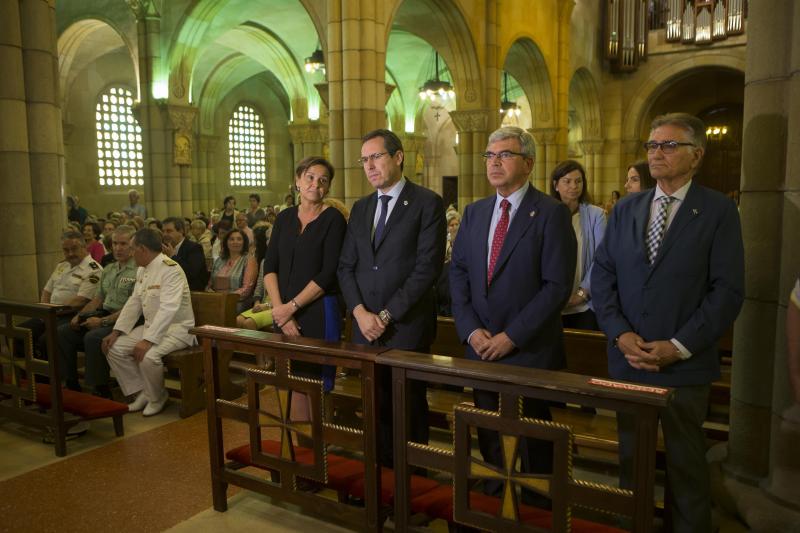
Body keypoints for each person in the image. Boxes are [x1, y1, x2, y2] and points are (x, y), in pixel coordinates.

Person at [592, 113, 745, 532]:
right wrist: (620, 334)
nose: (656, 153)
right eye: (651, 145)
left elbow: (727, 291)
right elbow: (602, 276)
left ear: (696, 155)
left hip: (684, 366)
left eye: (668, 145)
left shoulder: (716, 210)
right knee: (632, 463)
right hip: (629, 360)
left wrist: (677, 347)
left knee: (686, 467)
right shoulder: (626, 208)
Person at [449, 126, 575, 505]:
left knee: (533, 435)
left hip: (528, 349)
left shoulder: (550, 213)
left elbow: (556, 286)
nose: (494, 162)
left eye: (504, 154)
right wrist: (471, 330)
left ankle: (537, 507)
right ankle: (492, 501)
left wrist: (511, 336)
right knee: (488, 428)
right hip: (481, 345)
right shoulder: (475, 212)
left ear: (529, 163)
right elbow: (457, 273)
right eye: (489, 155)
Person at [338, 129, 446, 466]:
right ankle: (379, 482)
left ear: (398, 157)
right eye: (364, 160)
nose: (369, 166)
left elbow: (426, 270)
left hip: (406, 328)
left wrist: (384, 316)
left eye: (376, 157)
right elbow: (346, 267)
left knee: (409, 408)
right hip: (364, 328)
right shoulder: (361, 208)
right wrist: (359, 313)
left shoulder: (427, 203)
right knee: (374, 407)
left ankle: (413, 485)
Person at [265, 156, 346, 395]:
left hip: (318, 311)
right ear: (298, 181)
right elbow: (270, 266)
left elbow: (329, 273)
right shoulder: (284, 218)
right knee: (288, 383)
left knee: (314, 386)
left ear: (328, 187)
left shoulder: (333, 219)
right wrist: (281, 311)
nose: (316, 184)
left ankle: (314, 432)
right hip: (283, 313)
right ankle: (298, 432)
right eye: (310, 177)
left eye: (323, 180)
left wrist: (291, 308)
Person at [102, 228, 195, 417]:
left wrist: (148, 340)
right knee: (115, 348)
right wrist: (117, 331)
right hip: (152, 328)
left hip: (177, 330)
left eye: (132, 248)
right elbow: (134, 302)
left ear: (142, 249)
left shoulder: (170, 269)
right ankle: (144, 391)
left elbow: (169, 308)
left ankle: (157, 397)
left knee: (148, 356)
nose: (129, 252)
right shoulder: (143, 269)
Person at [57, 225, 137, 396]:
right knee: (64, 331)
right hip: (105, 314)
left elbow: (133, 307)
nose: (118, 248)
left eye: (123, 244)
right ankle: (70, 383)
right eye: (115, 243)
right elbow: (97, 299)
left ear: (133, 245)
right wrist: (80, 315)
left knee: (93, 337)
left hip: (127, 320)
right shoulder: (109, 269)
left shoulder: (139, 270)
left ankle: (100, 389)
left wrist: (102, 322)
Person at [15, 231, 103, 359]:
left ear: (84, 247)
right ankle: (28, 374)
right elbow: (47, 290)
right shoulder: (62, 265)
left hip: (70, 315)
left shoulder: (94, 270)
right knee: (20, 332)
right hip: (50, 312)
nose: (70, 254)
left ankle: (47, 377)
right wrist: (44, 309)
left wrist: (53, 309)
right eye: (66, 250)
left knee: (45, 340)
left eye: (74, 249)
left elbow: (81, 300)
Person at [550, 160, 606, 330]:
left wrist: (581, 294)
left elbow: (601, 258)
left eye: (578, 181)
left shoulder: (596, 215)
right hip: (550, 303)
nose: (574, 186)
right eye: (567, 181)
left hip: (584, 303)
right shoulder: (545, 213)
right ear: (556, 185)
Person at [208, 228, 257, 313]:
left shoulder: (249, 260)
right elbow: (210, 284)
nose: (235, 242)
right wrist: (211, 294)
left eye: (239, 239)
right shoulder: (220, 260)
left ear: (244, 242)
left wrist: (225, 298)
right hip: (216, 299)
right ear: (226, 242)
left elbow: (246, 289)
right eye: (231, 239)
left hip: (237, 302)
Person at [236, 224, 274, 331]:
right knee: (238, 320)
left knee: (249, 323)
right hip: (262, 304)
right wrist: (257, 301)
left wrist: (266, 305)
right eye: (267, 239)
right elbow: (259, 287)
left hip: (278, 307)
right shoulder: (265, 262)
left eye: (272, 238)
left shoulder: (289, 263)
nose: (268, 241)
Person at [162, 216, 209, 291]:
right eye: (163, 231)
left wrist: (172, 256)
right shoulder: (163, 248)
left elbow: (191, 273)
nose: (164, 234)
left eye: (169, 231)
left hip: (191, 293)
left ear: (181, 231)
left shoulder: (194, 248)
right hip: (170, 289)